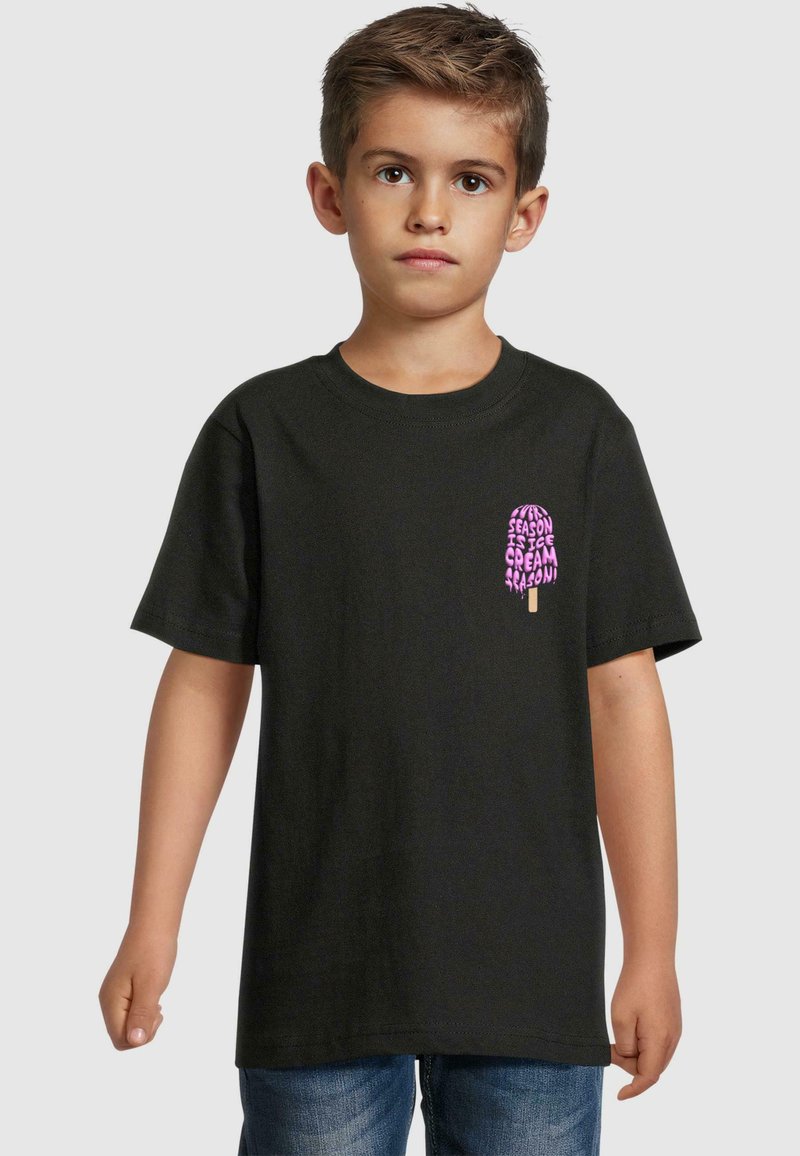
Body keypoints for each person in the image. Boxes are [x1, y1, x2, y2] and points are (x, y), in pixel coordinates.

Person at [98, 4, 703, 1153]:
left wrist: (653, 949)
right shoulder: (261, 432)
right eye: (392, 172)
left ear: (523, 214)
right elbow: (204, 681)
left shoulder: (577, 434)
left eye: (470, 180)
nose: (429, 210)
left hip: (530, 980)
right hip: (318, 976)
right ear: (329, 194)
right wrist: (151, 919)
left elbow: (622, 695)